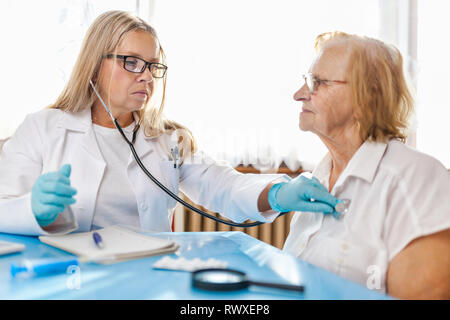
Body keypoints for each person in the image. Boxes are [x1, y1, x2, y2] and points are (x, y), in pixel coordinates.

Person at [0, 10, 339, 236]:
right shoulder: (42, 129)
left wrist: (278, 192)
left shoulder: (167, 140)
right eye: (132, 62)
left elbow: (223, 186)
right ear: (94, 63)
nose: (146, 76)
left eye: (152, 66)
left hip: (147, 280)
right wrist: (32, 211)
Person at [281, 31, 450, 299]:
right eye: (306, 81)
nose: (299, 94)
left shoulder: (417, 180)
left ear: (366, 98)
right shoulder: (321, 176)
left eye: (318, 82)